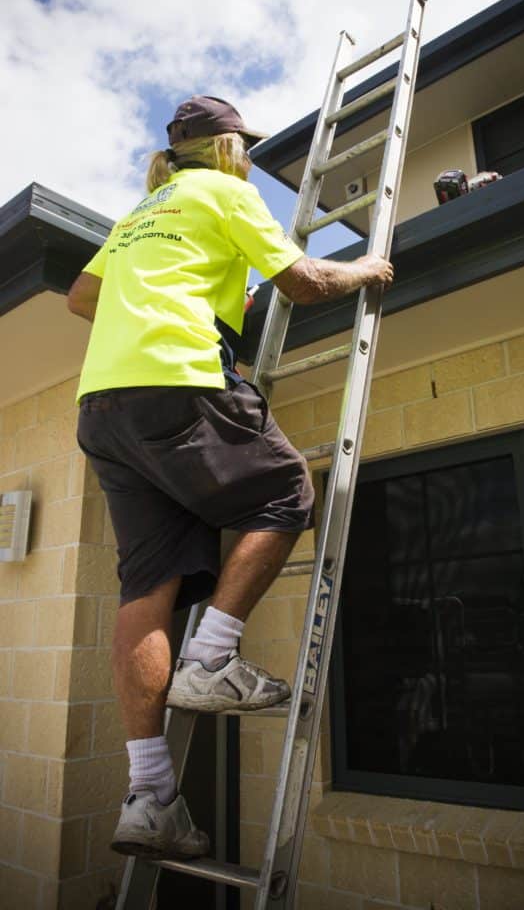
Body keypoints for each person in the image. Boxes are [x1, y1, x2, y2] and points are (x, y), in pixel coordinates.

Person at [67, 95, 393, 860]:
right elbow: (305, 281)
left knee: (147, 584)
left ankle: (150, 798)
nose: (246, 154)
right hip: (178, 382)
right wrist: (366, 267)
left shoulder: (141, 210)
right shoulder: (226, 191)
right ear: (223, 147)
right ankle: (212, 658)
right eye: (241, 144)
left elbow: (84, 297)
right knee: (285, 492)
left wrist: (169, 300)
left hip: (104, 407)